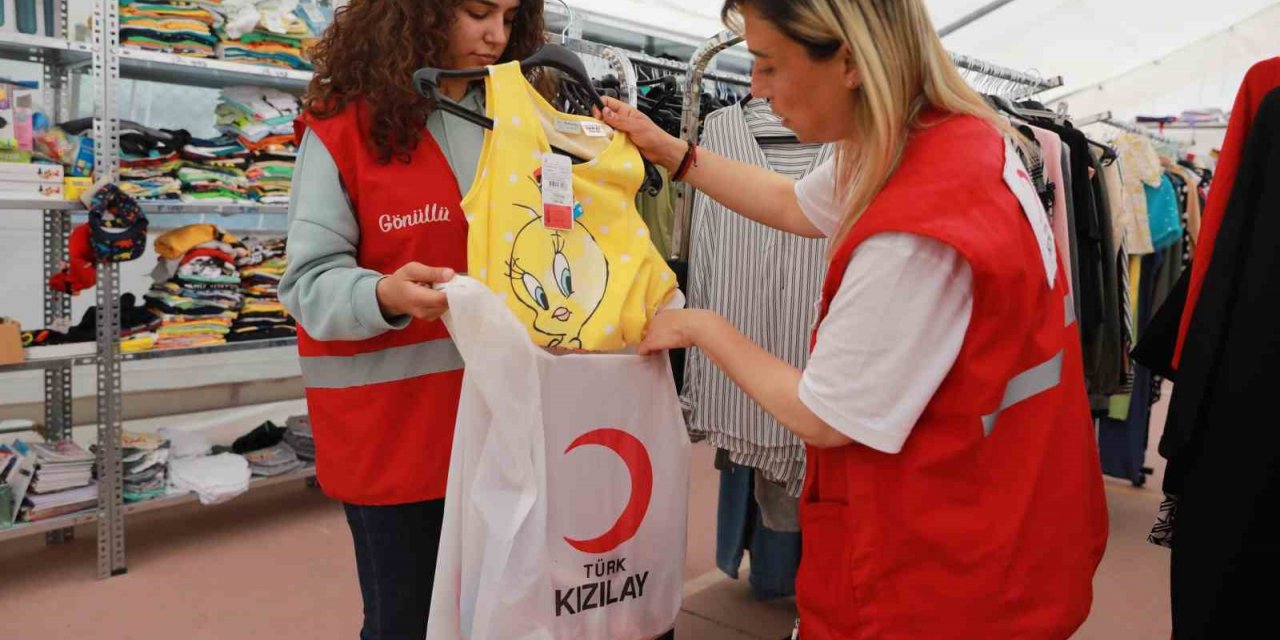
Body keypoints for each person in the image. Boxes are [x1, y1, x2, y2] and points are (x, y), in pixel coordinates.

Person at [602, 0, 1109, 637]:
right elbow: (791, 203)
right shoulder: (946, 139)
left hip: (932, 577)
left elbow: (822, 416)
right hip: (1003, 522)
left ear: (846, 60)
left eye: (768, 64)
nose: (755, 88)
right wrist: (671, 152)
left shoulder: (916, 229)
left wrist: (702, 327)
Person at [279, 1, 549, 638]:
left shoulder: (520, 121)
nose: (495, 36)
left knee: (505, 615)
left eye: (511, 17)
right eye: (479, 12)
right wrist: (383, 295)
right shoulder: (342, 130)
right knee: (407, 620)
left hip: (507, 427)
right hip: (396, 437)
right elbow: (307, 282)